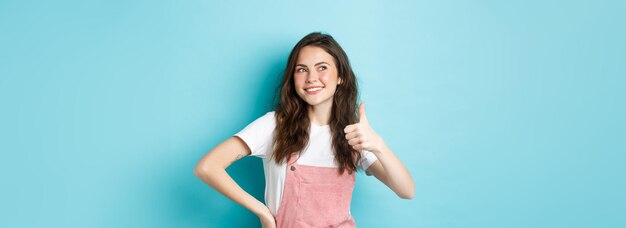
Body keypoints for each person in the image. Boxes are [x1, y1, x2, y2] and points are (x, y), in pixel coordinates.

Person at [194, 32, 414, 228]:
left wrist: (378, 146)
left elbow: (406, 191)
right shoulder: (274, 125)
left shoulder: (354, 135)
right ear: (293, 78)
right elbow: (207, 167)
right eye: (302, 69)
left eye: (322, 68)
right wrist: (262, 212)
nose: (311, 78)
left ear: (341, 77)